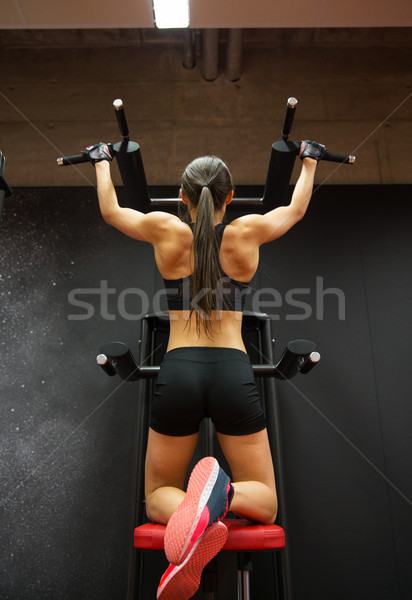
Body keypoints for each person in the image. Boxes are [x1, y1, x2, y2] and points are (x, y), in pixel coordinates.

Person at [87, 140, 326, 599]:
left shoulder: (164, 230)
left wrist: (101, 161)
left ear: (182, 197)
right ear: (230, 198)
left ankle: (195, 512)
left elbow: (113, 212)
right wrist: (309, 161)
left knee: (158, 496)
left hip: (178, 369)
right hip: (232, 370)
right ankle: (224, 496)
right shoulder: (247, 232)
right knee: (267, 504)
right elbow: (295, 209)